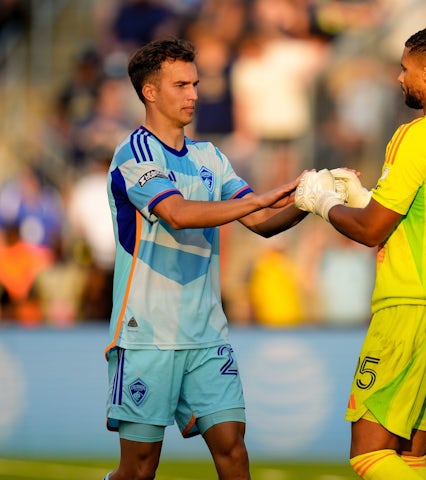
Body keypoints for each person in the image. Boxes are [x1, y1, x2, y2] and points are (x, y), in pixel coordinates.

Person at [294, 24, 426, 479]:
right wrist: (365, 196)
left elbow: (371, 232)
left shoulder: (418, 133)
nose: (399, 78)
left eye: (405, 69)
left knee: (369, 453)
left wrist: (321, 203)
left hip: (411, 304)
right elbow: (425, 213)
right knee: (409, 456)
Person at [103, 38, 308, 480]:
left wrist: (312, 201)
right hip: (147, 336)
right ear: (150, 92)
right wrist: (263, 199)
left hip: (206, 334)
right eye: (181, 84)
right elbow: (177, 214)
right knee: (138, 471)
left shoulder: (210, 157)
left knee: (232, 449)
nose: (194, 94)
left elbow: (262, 222)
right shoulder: (134, 155)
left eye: (195, 83)